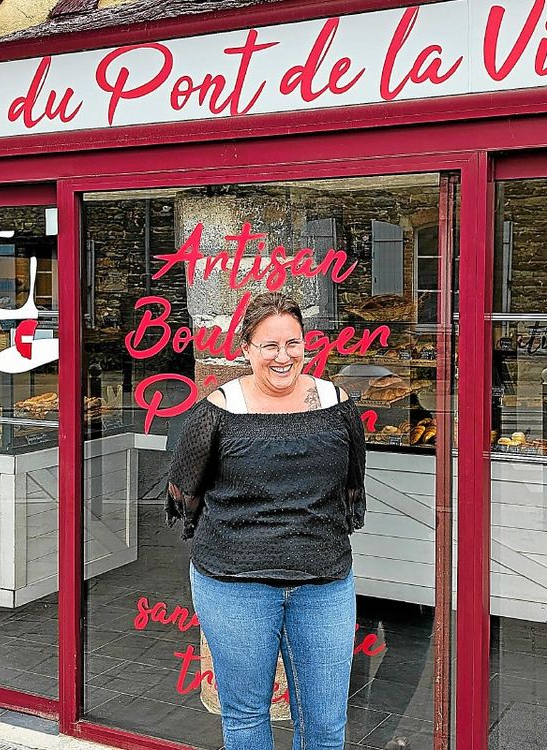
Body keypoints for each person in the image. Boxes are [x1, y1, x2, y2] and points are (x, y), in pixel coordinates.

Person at [166, 291, 368, 750]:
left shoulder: (337, 404)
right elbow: (185, 491)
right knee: (245, 718)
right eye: (269, 346)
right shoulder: (216, 411)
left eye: (292, 344)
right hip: (234, 584)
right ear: (246, 350)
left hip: (324, 583)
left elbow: (351, 484)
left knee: (325, 725)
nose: (283, 357)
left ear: (305, 344)